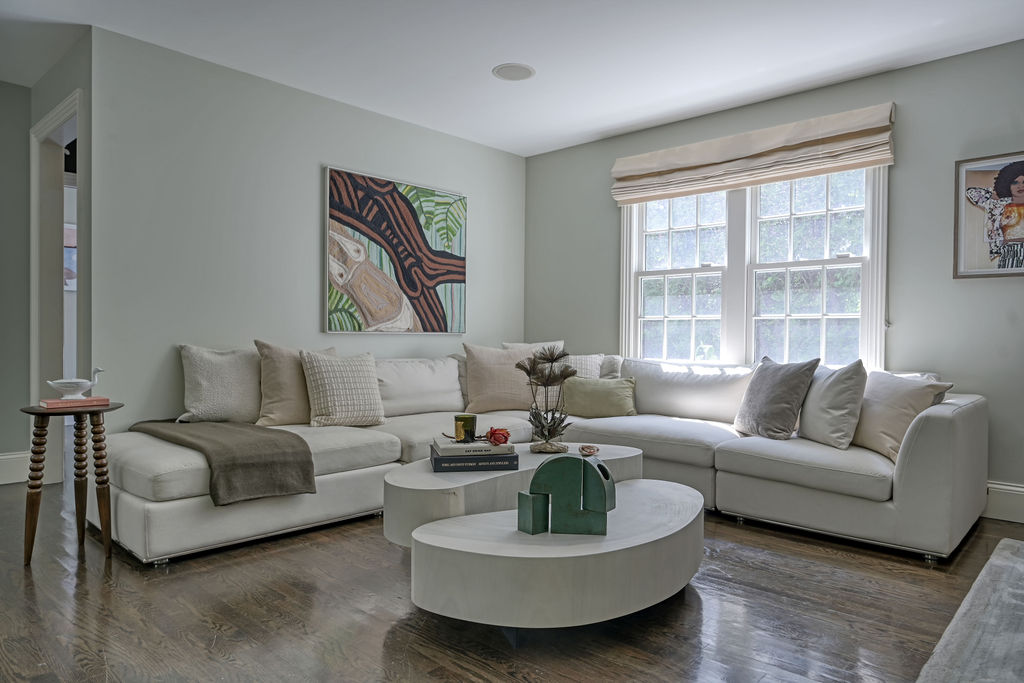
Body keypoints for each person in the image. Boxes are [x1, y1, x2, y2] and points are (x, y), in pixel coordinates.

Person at [966, 160, 1024, 269]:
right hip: (1009, 254)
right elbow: (971, 193)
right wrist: (997, 197)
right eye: (1015, 182)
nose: (1020, 186)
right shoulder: (1001, 205)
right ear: (1007, 185)